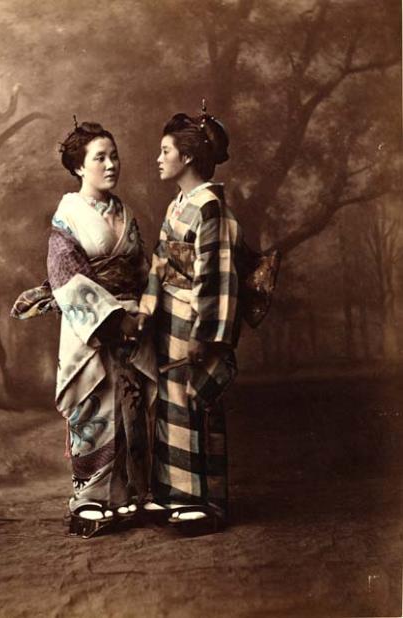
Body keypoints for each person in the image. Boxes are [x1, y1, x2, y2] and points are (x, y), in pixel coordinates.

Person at [14, 120, 156, 538]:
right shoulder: (68, 217)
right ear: (79, 167)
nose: (111, 165)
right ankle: (90, 499)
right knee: (94, 406)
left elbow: (143, 267)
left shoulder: (125, 214)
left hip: (133, 321)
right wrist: (117, 321)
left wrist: (145, 308)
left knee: (134, 406)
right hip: (92, 328)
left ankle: (134, 491)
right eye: (100, 158)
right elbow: (67, 278)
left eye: (114, 156)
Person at [138, 104, 240, 531]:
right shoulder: (178, 204)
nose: (159, 158)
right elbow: (161, 262)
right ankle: (170, 492)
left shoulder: (210, 206)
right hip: (169, 316)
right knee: (168, 403)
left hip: (195, 317)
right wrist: (147, 306)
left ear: (189, 158)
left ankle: (203, 500)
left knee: (193, 400)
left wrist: (207, 334)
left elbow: (215, 272)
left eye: (166, 151)